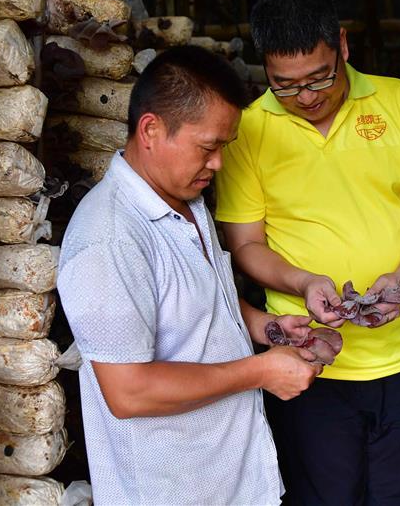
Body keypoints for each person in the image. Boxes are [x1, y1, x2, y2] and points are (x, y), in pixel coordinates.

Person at [215, 0, 400, 505]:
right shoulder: (248, 130)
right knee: (323, 496)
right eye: (286, 85)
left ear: (343, 47)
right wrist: (303, 282)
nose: (306, 96)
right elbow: (245, 244)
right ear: (265, 69)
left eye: (319, 77)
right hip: (307, 359)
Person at [57, 45, 322, 505]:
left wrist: (264, 326)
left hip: (233, 479)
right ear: (151, 130)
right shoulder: (110, 239)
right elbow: (128, 391)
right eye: (208, 147)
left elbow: (197, 294)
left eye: (224, 146)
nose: (218, 163)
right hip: (173, 490)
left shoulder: (184, 201)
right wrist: (260, 371)